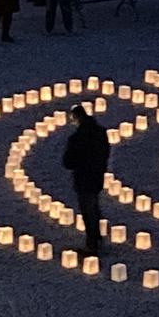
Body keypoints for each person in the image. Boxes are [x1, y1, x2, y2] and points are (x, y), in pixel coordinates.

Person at [62, 104, 110, 256]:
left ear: (76, 118)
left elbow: (68, 161)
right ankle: (97, 238)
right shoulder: (100, 133)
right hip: (97, 177)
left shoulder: (77, 138)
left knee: (88, 211)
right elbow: (105, 153)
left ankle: (92, 244)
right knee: (94, 207)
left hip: (83, 178)